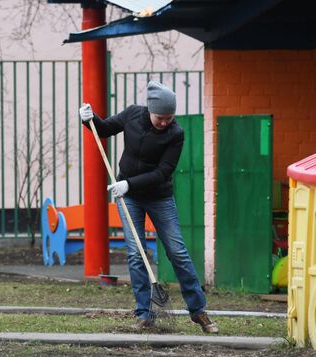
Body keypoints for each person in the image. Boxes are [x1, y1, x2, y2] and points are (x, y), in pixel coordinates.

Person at [78, 81, 219, 334]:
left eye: (169, 117)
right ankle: (144, 313)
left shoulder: (176, 134)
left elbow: (163, 172)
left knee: (177, 251)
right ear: (150, 109)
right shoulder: (132, 114)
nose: (164, 122)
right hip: (129, 197)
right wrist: (89, 119)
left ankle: (198, 310)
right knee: (136, 253)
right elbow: (105, 129)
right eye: (160, 117)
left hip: (158, 196)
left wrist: (128, 184)